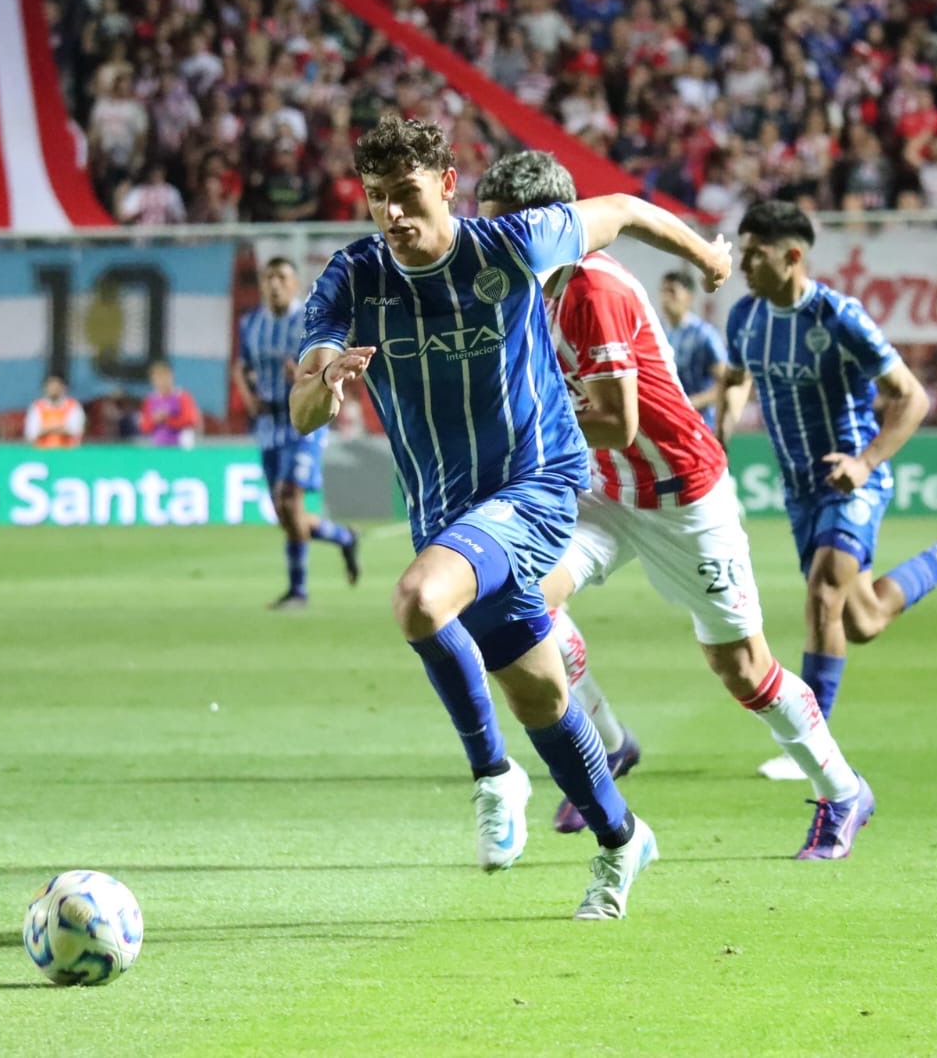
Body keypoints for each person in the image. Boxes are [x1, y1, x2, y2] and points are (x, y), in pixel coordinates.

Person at [290, 116, 731, 920]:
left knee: (422, 601)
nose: (392, 214)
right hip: (448, 509)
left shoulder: (515, 242)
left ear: (449, 187)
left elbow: (626, 208)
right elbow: (303, 406)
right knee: (541, 699)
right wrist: (331, 383)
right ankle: (622, 837)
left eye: (408, 196)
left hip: (536, 484)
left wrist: (705, 256)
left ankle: (492, 775)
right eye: (378, 198)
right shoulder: (353, 278)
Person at [476, 152, 872, 858]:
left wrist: (516, 424)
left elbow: (618, 421)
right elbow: (628, 210)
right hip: (607, 491)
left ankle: (843, 791)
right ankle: (607, 746)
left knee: (743, 669)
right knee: (519, 607)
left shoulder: (593, 291)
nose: (491, 244)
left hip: (683, 495)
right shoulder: (529, 283)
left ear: (544, 227)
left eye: (502, 228)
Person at [714, 201, 937, 780]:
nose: (743, 263)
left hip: (851, 478)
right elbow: (734, 378)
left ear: (793, 256)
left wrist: (865, 461)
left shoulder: (839, 317)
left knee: (824, 593)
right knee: (863, 619)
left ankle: (810, 747)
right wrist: (722, 430)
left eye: (754, 253)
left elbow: (913, 397)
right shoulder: (745, 317)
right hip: (800, 487)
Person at [235, 257, 361, 610]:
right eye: (268, 277)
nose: (274, 284)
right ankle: (344, 537)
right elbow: (241, 366)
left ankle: (298, 591)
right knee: (284, 512)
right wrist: (248, 395)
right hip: (268, 422)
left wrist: (305, 379)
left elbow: (327, 366)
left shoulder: (308, 321)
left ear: (294, 284)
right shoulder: (251, 324)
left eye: (281, 277)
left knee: (289, 498)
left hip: (304, 420)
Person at [656, 269, 728, 429]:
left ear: (689, 297)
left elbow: (724, 384)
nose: (666, 298)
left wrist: (689, 404)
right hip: (665, 424)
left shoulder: (704, 335)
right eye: (663, 291)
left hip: (699, 425)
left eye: (672, 291)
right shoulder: (655, 331)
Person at [138, 361, 199, 446]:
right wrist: (154, 420)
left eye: (164, 377)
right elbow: (144, 426)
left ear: (171, 376)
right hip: (158, 447)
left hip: (180, 447)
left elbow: (191, 420)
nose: (161, 381)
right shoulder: (150, 399)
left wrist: (167, 419)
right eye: (157, 378)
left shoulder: (182, 396)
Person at [25, 375, 85, 448]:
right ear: (45, 388)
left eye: (57, 387)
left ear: (63, 388)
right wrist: (58, 429)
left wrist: (48, 429)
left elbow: (76, 431)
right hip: (42, 453)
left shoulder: (73, 406)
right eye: (51, 387)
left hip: (67, 452)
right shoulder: (36, 407)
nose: (54, 390)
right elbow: (31, 434)